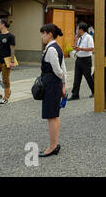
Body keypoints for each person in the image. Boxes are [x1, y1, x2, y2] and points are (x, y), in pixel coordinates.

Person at [39, 23, 67, 157]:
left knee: (51, 116)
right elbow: (63, 68)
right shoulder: (57, 47)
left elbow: (58, 70)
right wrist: (63, 84)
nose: (41, 36)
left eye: (43, 33)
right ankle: (54, 144)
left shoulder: (50, 49)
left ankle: (52, 146)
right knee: (55, 115)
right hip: (55, 84)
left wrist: (61, 80)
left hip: (51, 84)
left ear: (49, 34)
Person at [69, 22, 94, 100]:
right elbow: (78, 47)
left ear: (81, 29)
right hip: (79, 59)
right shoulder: (79, 37)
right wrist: (76, 45)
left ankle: (95, 91)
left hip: (86, 60)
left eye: (77, 29)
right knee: (77, 77)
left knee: (88, 77)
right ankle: (75, 95)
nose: (76, 30)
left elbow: (91, 48)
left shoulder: (89, 37)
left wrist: (81, 49)